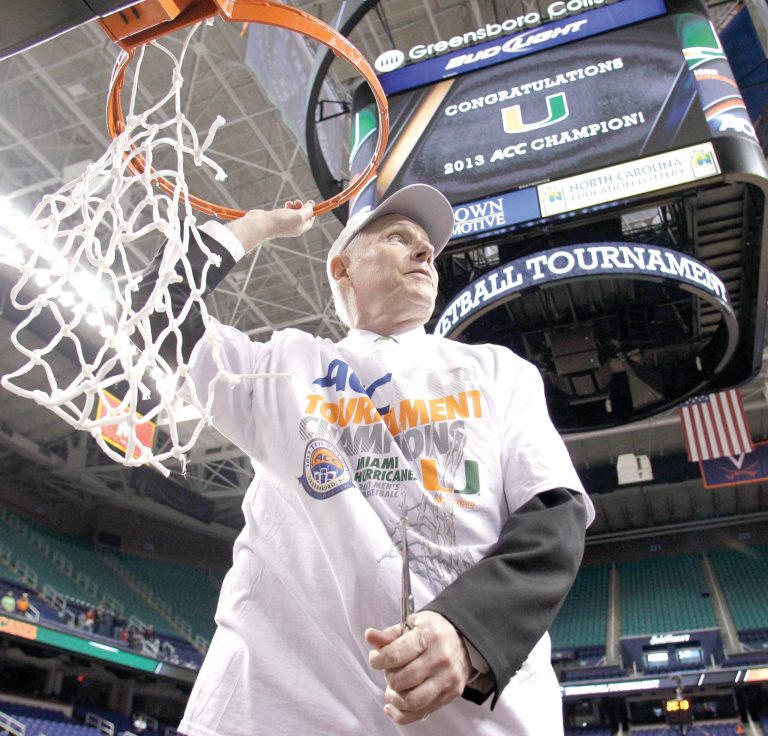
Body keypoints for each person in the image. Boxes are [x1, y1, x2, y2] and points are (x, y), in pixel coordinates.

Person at [144, 184, 592, 735]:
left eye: (428, 246)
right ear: (343, 269)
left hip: (473, 722)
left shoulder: (499, 370)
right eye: (399, 238)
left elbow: (555, 518)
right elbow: (153, 312)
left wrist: (465, 632)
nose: (425, 253)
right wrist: (259, 223)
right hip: (274, 716)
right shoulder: (283, 365)